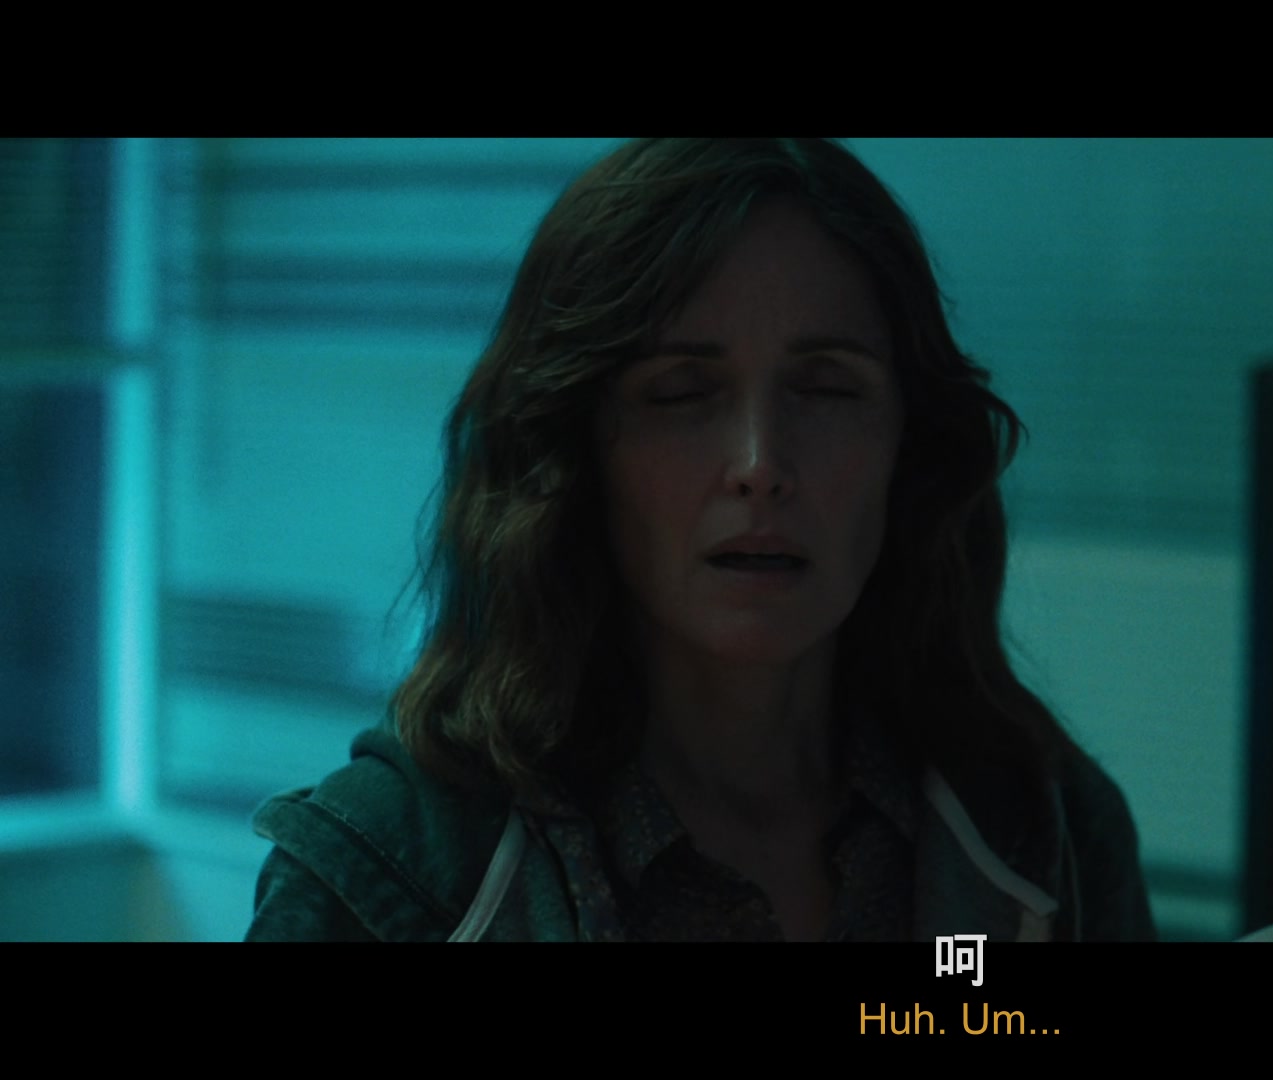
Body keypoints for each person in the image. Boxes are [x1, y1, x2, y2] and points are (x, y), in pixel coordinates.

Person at [245, 138, 1158, 942]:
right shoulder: (391, 873)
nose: (761, 465)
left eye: (827, 389)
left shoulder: (1049, 834)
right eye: (682, 394)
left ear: (907, 447)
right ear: (574, 452)